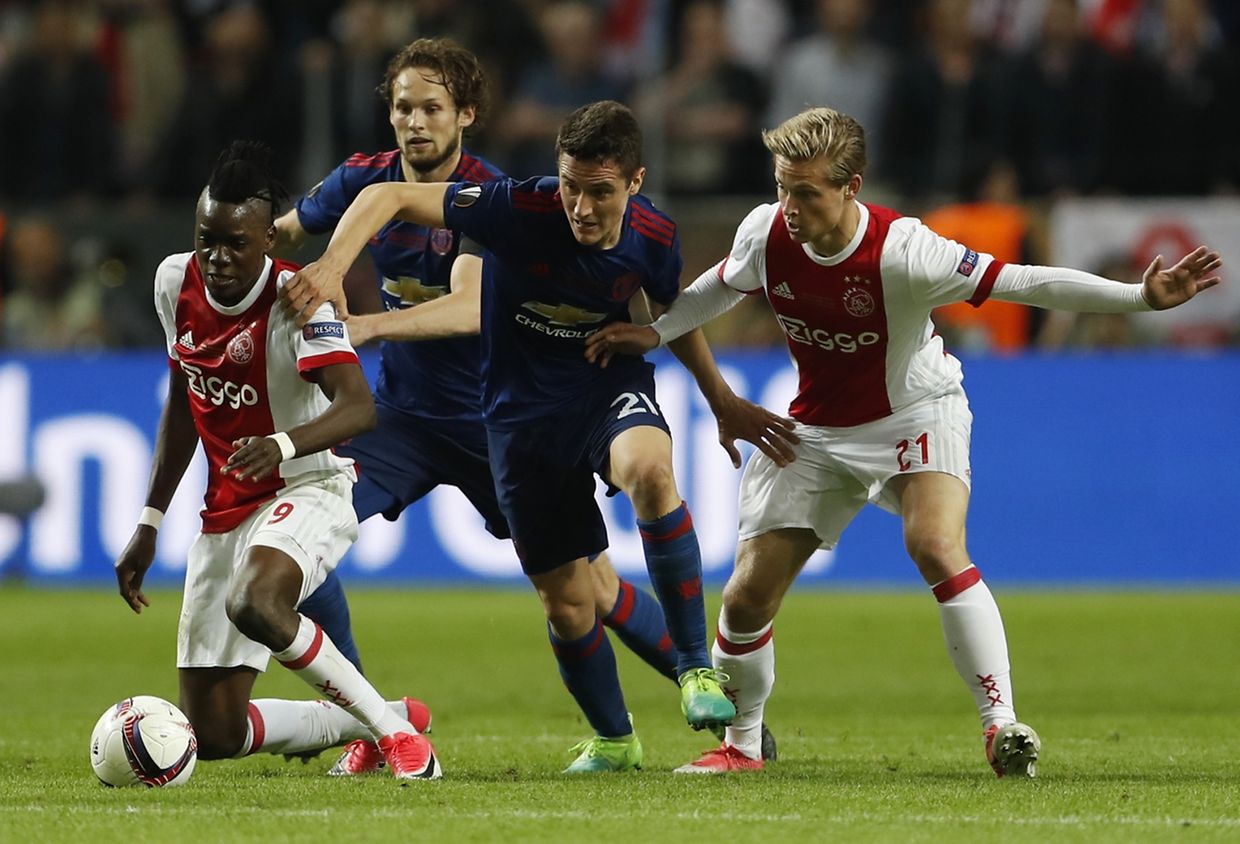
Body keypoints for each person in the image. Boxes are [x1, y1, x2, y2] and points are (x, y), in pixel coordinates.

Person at [585, 106, 1221, 777]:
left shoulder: (907, 250)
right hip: (817, 428)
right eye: (781, 187)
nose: (789, 206)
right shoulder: (765, 231)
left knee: (935, 545)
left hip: (914, 412)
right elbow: (713, 292)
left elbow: (1024, 282)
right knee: (745, 596)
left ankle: (1001, 728)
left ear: (852, 186)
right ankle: (740, 747)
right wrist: (654, 333)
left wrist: (1139, 299)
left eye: (807, 192)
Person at [274, 39, 770, 773]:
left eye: (431, 107)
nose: (414, 122)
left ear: (465, 115)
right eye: (403, 107)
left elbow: (476, 307)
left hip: (507, 408)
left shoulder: (498, 197)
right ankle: (372, 720)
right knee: (295, 545)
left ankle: (703, 683)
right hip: (411, 418)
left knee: (612, 548)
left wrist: (366, 325)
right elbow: (300, 227)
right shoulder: (389, 184)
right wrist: (255, 251)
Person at [112, 142, 441, 781]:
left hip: (308, 484)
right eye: (207, 238)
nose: (218, 257)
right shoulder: (173, 282)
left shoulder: (299, 301)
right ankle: (377, 715)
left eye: (236, 243)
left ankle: (399, 739)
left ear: (267, 239)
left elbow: (358, 407)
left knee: (255, 602)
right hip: (227, 507)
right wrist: (151, 521)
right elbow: (185, 402)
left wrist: (284, 444)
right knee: (212, 732)